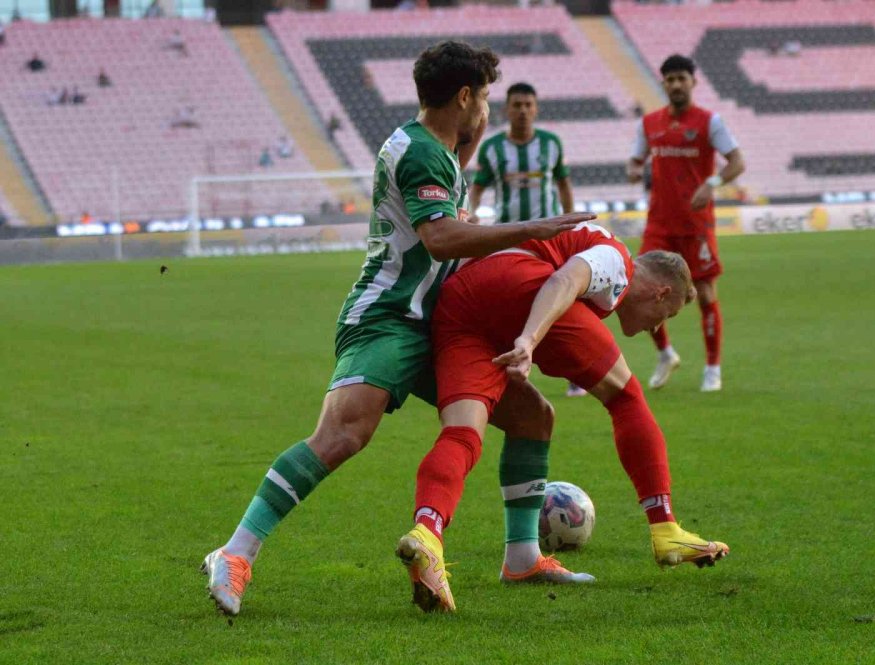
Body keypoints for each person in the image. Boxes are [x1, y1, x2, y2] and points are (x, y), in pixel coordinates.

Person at [200, 41, 593, 617]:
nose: (488, 108)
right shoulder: (418, 154)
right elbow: (441, 238)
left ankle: (523, 556)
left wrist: (476, 132)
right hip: (388, 317)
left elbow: (456, 187)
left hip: (440, 324)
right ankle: (234, 553)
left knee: (532, 416)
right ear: (464, 96)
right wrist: (532, 229)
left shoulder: (437, 147)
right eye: (483, 97)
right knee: (342, 435)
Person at [396, 223, 730, 612]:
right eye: (664, 315)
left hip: (459, 300)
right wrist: (529, 340)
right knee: (626, 398)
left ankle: (431, 535)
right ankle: (666, 528)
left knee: (472, 431)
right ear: (662, 292)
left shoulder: (588, 259)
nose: (656, 327)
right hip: (520, 284)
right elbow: (564, 280)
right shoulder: (615, 256)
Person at [628, 54, 745, 392]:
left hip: (697, 226)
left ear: (694, 82)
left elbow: (737, 161)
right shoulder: (649, 124)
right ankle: (665, 354)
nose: (676, 84)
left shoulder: (710, 122)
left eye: (682, 78)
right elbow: (634, 161)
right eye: (670, 79)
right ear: (663, 83)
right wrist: (634, 170)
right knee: (642, 291)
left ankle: (712, 367)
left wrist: (712, 184)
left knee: (705, 293)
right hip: (659, 225)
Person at [469, 82, 585, 397]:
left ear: (536, 108)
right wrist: (471, 211)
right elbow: (478, 185)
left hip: (549, 238)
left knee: (563, 302)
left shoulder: (551, 144)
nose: (522, 110)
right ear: (507, 108)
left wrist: (570, 219)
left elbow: (563, 184)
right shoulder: (492, 148)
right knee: (513, 301)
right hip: (509, 236)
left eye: (527, 105)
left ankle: (577, 372)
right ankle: (513, 368)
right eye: (516, 105)